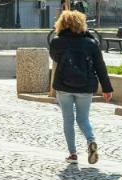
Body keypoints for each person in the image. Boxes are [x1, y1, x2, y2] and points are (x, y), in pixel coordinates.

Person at [48, 10, 114, 164]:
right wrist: (107, 88)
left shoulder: (58, 41)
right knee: (83, 119)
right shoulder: (90, 43)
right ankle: (91, 141)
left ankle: (72, 154)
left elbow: (55, 57)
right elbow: (100, 66)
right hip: (85, 86)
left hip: (64, 85)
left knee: (68, 119)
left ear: (61, 24)